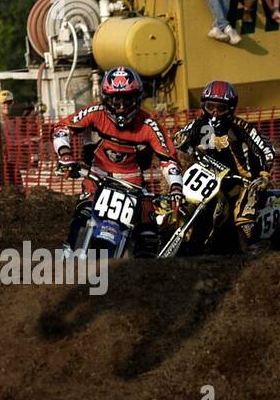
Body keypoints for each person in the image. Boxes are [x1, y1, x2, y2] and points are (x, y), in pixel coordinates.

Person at [52, 66, 183, 257]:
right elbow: (62, 127)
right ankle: (68, 257)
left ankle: (144, 276)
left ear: (137, 98)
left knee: (148, 233)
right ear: (106, 99)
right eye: (115, 99)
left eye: (127, 99)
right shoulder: (95, 112)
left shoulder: (149, 125)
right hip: (98, 179)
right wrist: (65, 154)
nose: (121, 106)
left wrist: (176, 188)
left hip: (133, 186)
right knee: (83, 215)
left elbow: (168, 160)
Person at [173, 80, 277, 248]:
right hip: (210, 179)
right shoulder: (199, 123)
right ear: (203, 105)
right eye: (210, 106)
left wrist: (264, 174)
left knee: (243, 218)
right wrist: (180, 140)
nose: (214, 112)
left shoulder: (240, 127)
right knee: (182, 202)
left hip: (241, 182)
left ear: (230, 109)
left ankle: (254, 249)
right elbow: (180, 136)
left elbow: (267, 150)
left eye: (220, 108)